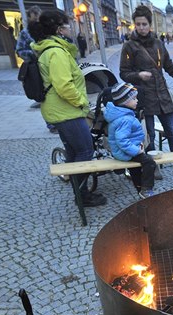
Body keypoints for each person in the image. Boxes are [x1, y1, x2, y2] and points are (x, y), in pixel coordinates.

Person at [29, 9, 107, 207]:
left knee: (74, 152)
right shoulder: (56, 52)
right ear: (59, 29)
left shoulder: (52, 49)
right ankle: (83, 196)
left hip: (61, 111)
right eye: (67, 25)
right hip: (66, 112)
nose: (70, 28)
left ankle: (80, 194)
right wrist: (82, 101)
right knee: (85, 151)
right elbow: (64, 86)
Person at [119, 5, 173, 180]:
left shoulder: (158, 43)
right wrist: (138, 75)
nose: (141, 27)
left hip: (162, 95)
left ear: (149, 24)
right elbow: (123, 73)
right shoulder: (129, 46)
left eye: (144, 24)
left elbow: (170, 67)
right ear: (134, 25)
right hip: (143, 97)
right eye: (138, 24)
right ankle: (152, 167)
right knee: (149, 135)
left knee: (171, 132)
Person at [104, 82, 157, 199]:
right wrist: (137, 151)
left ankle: (140, 189)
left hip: (126, 149)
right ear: (125, 102)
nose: (137, 101)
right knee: (149, 162)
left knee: (136, 168)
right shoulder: (125, 119)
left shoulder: (123, 114)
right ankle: (147, 189)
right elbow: (122, 140)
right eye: (134, 98)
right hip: (124, 151)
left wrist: (138, 145)